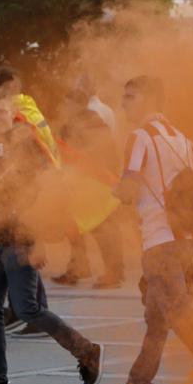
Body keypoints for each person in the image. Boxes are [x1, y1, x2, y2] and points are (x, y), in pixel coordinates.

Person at [0, 89, 104, 384]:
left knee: (28, 309)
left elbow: (49, 188)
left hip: (22, 240)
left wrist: (40, 239)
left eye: (1, 112)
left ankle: (87, 351)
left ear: (12, 113)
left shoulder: (26, 140)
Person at [107, 76, 193, 384]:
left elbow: (128, 189)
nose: (124, 103)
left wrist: (115, 191)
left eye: (130, 96)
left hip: (160, 241)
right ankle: (139, 383)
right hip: (186, 239)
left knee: (178, 312)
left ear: (150, 99)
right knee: (158, 315)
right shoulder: (184, 140)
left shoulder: (139, 137)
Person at [53, 85, 125, 288]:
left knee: (103, 228)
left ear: (77, 104)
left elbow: (96, 152)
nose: (64, 108)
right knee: (75, 225)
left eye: (67, 104)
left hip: (95, 181)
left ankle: (113, 273)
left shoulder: (86, 122)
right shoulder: (83, 122)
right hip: (85, 181)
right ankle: (79, 268)